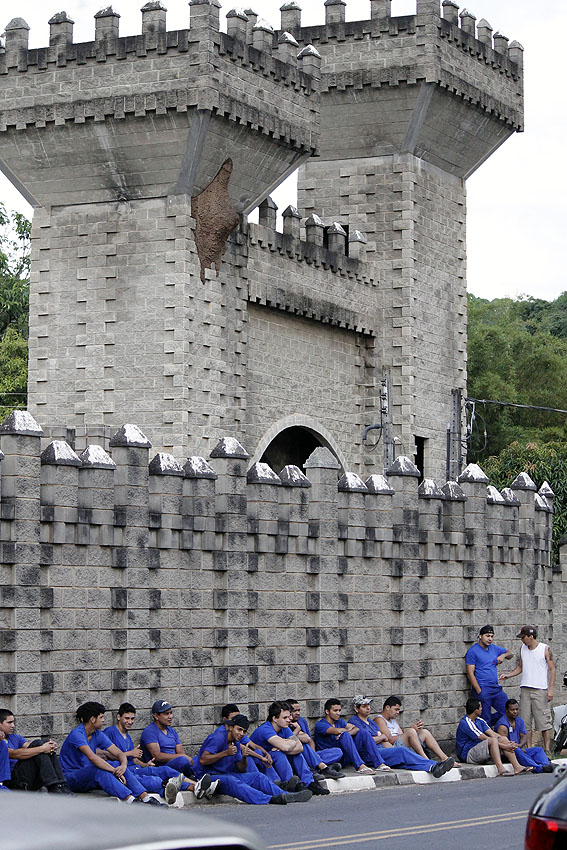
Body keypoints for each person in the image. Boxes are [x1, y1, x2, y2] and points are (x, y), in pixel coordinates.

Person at [105, 702, 212, 804]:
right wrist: (129, 753)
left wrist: (146, 764)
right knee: (155, 779)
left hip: (136, 768)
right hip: (125, 771)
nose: (130, 722)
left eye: (132, 719)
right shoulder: (110, 732)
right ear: (119, 717)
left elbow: (135, 759)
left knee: (165, 770)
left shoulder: (127, 736)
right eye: (127, 718)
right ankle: (193, 787)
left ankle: (197, 785)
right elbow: (103, 754)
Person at [59, 701, 165, 802]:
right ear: (92, 719)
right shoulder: (77, 734)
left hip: (89, 776)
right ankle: (130, 800)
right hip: (71, 778)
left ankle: (145, 798)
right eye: (101, 717)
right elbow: (93, 758)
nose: (104, 720)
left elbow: (119, 753)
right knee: (100, 769)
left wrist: (122, 766)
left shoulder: (97, 734)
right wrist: (115, 771)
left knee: (116, 764)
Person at [196, 713, 311, 805]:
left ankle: (285, 795)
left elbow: (241, 769)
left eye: (244, 731)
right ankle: (269, 799)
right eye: (239, 730)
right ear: (231, 728)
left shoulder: (236, 743)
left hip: (227, 774)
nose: (241, 734)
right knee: (233, 782)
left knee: (258, 777)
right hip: (210, 777)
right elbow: (203, 760)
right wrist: (225, 753)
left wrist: (244, 758)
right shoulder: (218, 737)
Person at [350, 696, 455, 776]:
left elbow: (383, 739)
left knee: (403, 761)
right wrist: (381, 738)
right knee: (402, 751)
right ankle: (431, 764)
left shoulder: (371, 722)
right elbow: (370, 740)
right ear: (356, 709)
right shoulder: (355, 722)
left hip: (382, 750)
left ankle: (433, 768)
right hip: (369, 754)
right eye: (364, 706)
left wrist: (386, 743)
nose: (368, 708)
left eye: (368, 705)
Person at [250, 701, 330, 795]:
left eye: (289, 716)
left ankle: (309, 783)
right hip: (260, 762)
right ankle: (290, 783)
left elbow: (300, 747)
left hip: (274, 760)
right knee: (279, 753)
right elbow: (285, 747)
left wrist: (286, 743)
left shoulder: (284, 727)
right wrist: (289, 744)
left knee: (296, 753)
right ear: (275, 718)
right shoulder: (266, 729)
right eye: (285, 717)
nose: (289, 720)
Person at [499, 626, 556, 752]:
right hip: (525, 688)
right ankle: (528, 748)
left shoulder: (545, 649)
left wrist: (551, 689)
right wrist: (508, 675)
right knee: (525, 721)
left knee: (543, 721)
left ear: (531, 636)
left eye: (524, 637)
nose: (522, 640)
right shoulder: (523, 649)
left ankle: (547, 749)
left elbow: (552, 669)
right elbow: (520, 667)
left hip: (540, 689)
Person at [0, 707, 70, 793]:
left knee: (42, 744)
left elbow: (31, 747)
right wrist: (42, 748)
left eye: (13, 722)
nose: (13, 726)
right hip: (12, 781)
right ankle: (53, 786)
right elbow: (14, 754)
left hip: (27, 777)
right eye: (9, 722)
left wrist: (49, 746)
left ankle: (60, 785)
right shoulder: (1, 743)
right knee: (39, 746)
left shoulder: (15, 737)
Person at [456, 697, 530, 776]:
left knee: (502, 738)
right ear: (475, 710)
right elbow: (484, 737)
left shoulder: (479, 720)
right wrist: (505, 746)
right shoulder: (466, 723)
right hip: (468, 755)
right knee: (492, 740)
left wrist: (508, 742)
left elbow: (493, 734)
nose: (482, 709)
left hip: (480, 751)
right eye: (480, 707)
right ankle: (500, 769)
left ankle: (517, 767)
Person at [374, 696, 456, 762]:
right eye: (396, 709)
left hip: (401, 743)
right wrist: (410, 731)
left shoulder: (393, 720)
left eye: (399, 710)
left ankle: (444, 758)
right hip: (393, 747)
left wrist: (413, 730)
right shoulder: (379, 719)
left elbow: (400, 734)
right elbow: (390, 739)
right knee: (410, 732)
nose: (398, 712)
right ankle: (426, 760)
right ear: (387, 707)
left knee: (424, 732)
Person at [285, 698, 344, 780]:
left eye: (299, 710)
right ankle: (323, 768)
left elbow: (309, 739)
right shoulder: (285, 723)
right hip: (296, 754)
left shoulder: (302, 721)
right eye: (295, 711)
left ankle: (314, 766)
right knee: (301, 744)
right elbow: (295, 741)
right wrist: (298, 732)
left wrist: (313, 754)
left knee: (338, 751)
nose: (298, 713)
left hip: (310, 754)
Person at [465, 625, 513, 725]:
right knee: (485, 718)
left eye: (492, 636)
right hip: (483, 688)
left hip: (496, 688)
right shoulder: (472, 651)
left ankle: (486, 725)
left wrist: (503, 655)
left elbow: (510, 653)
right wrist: (479, 691)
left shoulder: (494, 648)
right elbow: (470, 673)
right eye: (487, 636)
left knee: (509, 711)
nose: (490, 639)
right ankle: (485, 733)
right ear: (480, 636)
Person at [495, 699, 554, 774]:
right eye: (512, 710)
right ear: (506, 710)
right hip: (508, 753)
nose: (515, 712)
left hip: (518, 748)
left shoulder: (519, 720)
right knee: (518, 751)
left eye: (517, 709)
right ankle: (538, 768)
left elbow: (524, 736)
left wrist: (519, 745)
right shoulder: (502, 725)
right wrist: (516, 748)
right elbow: (503, 745)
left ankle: (547, 765)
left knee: (538, 750)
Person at [140, 700, 194, 775]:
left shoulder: (172, 731)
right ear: (156, 716)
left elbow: (181, 752)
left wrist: (182, 756)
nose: (170, 717)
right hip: (162, 768)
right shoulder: (150, 731)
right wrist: (181, 757)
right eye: (166, 714)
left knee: (197, 760)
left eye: (171, 713)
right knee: (183, 761)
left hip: (177, 763)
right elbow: (157, 756)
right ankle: (192, 779)